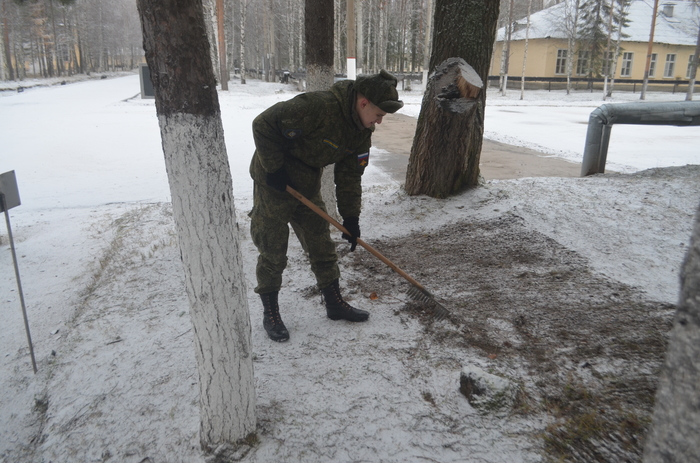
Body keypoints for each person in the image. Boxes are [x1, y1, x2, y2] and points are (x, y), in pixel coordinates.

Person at [249, 70, 404, 342]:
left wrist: (351, 217)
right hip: (274, 182)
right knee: (273, 247)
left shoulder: (360, 132)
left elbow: (350, 176)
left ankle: (334, 303)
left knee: (320, 242)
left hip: (306, 184)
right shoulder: (317, 107)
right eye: (379, 114)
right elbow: (263, 124)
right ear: (364, 102)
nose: (379, 122)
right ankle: (271, 313)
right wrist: (273, 169)